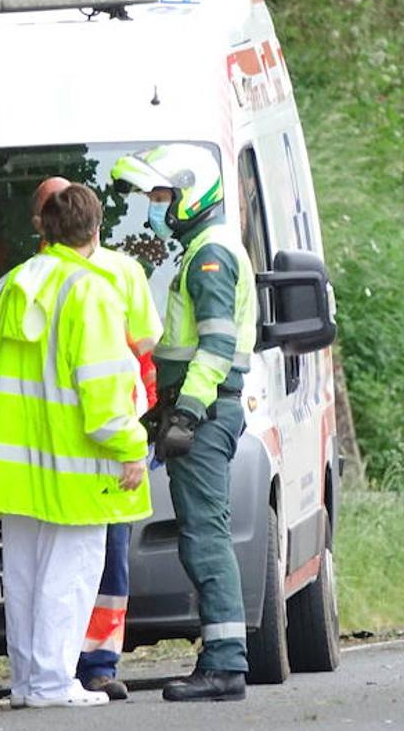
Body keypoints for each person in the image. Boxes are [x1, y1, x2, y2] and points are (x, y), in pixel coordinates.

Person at [0, 184, 151, 709]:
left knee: (23, 575)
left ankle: (28, 682)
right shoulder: (90, 292)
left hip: (11, 467)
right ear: (95, 232)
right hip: (75, 467)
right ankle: (52, 683)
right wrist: (130, 446)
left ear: (43, 229)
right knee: (69, 573)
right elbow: (103, 387)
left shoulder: (9, 286)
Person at [111, 145, 258, 703]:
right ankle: (221, 660)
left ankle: (225, 665)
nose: (154, 206)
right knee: (203, 535)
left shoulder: (210, 256)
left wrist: (188, 413)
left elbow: (216, 347)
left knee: (204, 538)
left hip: (205, 412)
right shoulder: (204, 249)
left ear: (191, 192)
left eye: (161, 195)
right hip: (197, 408)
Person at [30, 177, 162, 702]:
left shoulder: (29, 279)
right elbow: (146, 344)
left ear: (43, 223)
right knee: (97, 553)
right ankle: (85, 666)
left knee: (77, 556)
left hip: (76, 437)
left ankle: (83, 661)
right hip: (94, 436)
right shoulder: (117, 272)